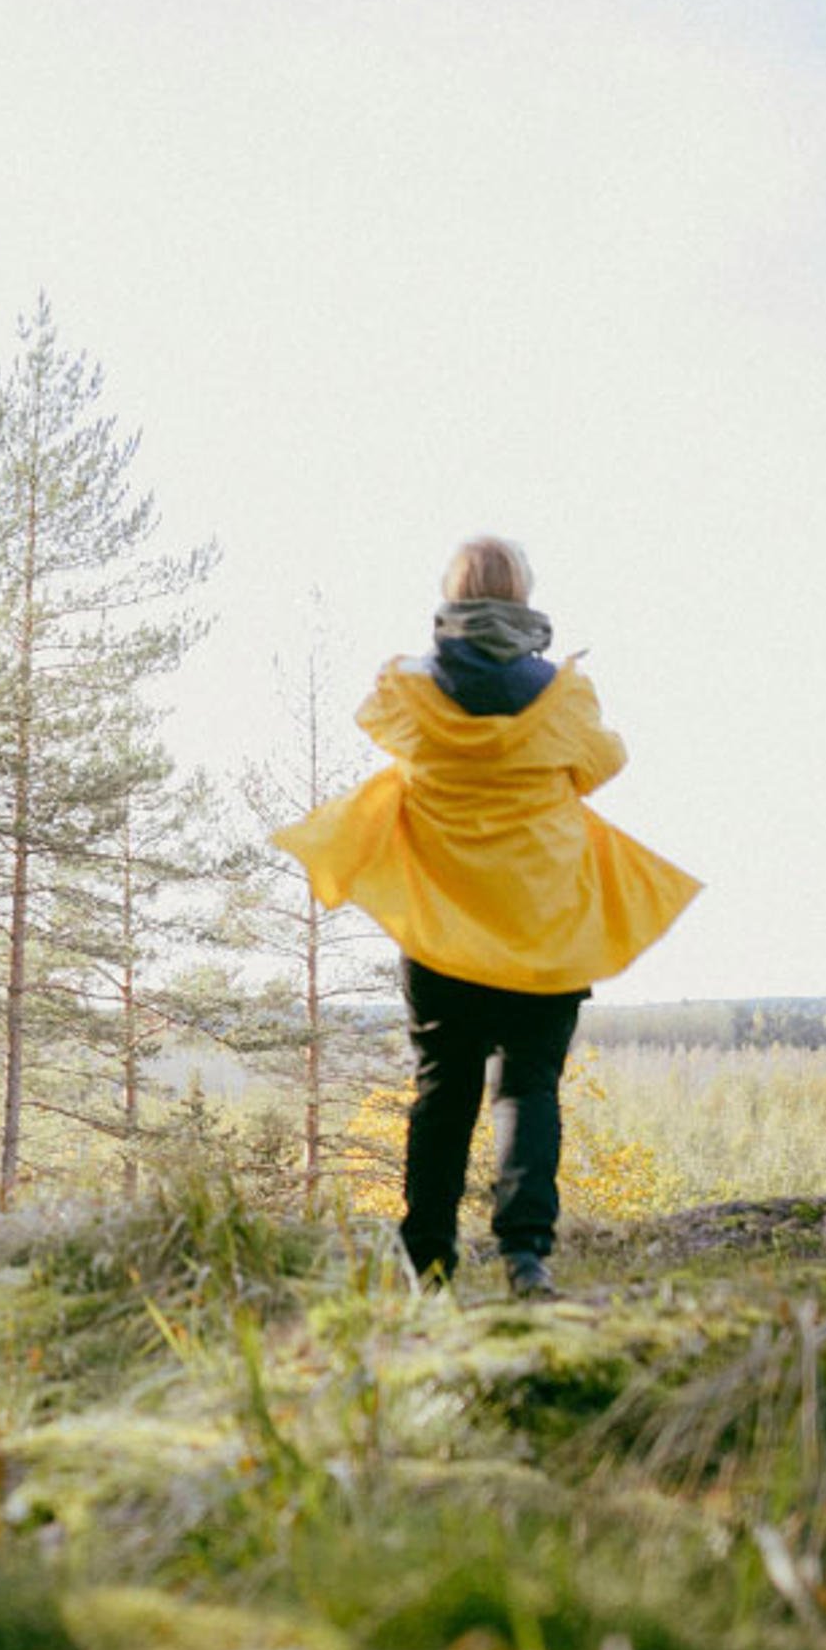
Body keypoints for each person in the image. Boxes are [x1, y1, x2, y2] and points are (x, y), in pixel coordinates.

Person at [273, 539, 699, 1295]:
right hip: (544, 923)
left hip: (442, 931)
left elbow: (375, 722)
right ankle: (525, 1257)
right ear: (525, 599)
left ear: (452, 600)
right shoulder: (566, 698)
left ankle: (426, 1263)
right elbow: (602, 766)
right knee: (528, 1089)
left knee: (443, 1090)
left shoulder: (409, 694)